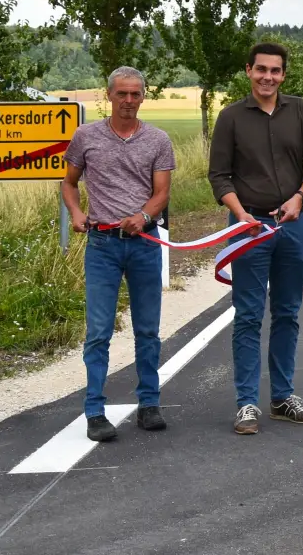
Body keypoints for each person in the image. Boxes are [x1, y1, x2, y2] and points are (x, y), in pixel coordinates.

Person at [208, 41, 303, 435]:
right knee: (248, 315)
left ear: (283, 74)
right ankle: (246, 404)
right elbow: (219, 175)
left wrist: (300, 197)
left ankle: (282, 398)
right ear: (249, 70)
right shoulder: (230, 117)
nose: (268, 77)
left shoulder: (300, 111)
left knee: (287, 313)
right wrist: (240, 214)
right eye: (261, 69)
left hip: (293, 225)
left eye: (275, 71)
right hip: (249, 227)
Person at [61, 66, 176, 443]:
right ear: (108, 95)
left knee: (147, 329)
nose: (128, 100)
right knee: (98, 331)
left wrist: (144, 217)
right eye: (122, 93)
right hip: (103, 245)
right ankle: (95, 411)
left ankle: (149, 404)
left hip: (145, 244)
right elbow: (69, 183)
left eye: (135, 94)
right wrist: (76, 213)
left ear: (143, 97)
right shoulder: (86, 136)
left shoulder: (158, 140)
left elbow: (162, 193)